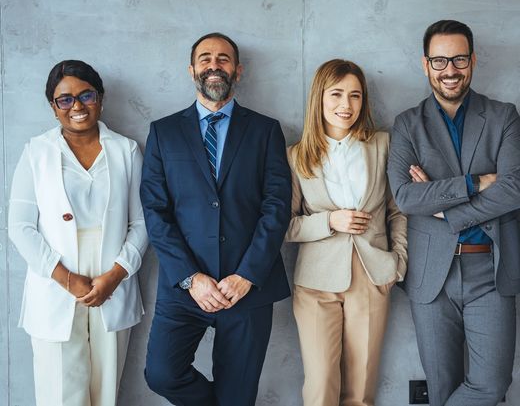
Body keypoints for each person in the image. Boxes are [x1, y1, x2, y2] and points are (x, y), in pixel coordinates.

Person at [140, 32, 292, 406]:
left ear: (237, 70)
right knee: (161, 373)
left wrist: (247, 276)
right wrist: (191, 278)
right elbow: (155, 212)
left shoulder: (265, 130)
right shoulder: (164, 132)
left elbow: (276, 207)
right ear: (191, 69)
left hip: (247, 286)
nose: (214, 65)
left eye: (223, 59)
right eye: (205, 58)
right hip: (185, 286)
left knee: (238, 395)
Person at [387, 20, 520, 406]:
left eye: (459, 59)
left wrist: (448, 210)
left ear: (473, 60)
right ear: (425, 64)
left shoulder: (504, 116)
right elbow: (407, 198)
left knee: (491, 387)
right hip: (432, 277)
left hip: (490, 272)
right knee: (442, 389)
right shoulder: (407, 124)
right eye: (440, 60)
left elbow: (514, 188)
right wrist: (473, 183)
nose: (450, 70)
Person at [8, 60, 148, 406]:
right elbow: (21, 226)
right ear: (53, 107)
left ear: (100, 98)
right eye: (65, 99)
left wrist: (117, 275)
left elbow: (143, 222)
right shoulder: (36, 152)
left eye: (86, 95)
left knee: (105, 392)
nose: (77, 106)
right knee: (60, 393)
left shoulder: (126, 150)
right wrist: (67, 279)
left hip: (111, 278)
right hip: (55, 279)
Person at [285, 59, 407, 406]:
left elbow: (399, 210)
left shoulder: (383, 145)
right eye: (337, 94)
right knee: (321, 386)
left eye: (355, 96)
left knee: (361, 389)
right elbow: (285, 225)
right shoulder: (297, 156)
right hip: (315, 283)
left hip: (372, 277)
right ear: (319, 98)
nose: (346, 105)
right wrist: (329, 221)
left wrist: (397, 264)